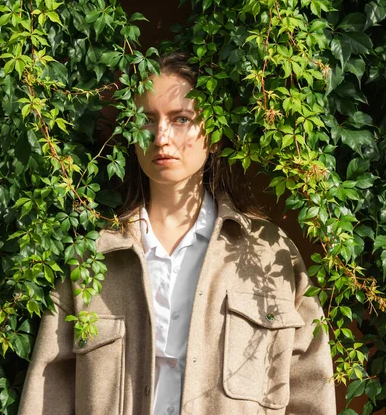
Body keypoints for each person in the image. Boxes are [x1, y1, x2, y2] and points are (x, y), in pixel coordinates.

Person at [18, 53, 337, 415]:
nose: (161, 137)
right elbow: (48, 394)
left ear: (213, 136)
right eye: (147, 120)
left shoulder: (270, 254)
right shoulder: (93, 258)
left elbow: (311, 390)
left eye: (181, 119)